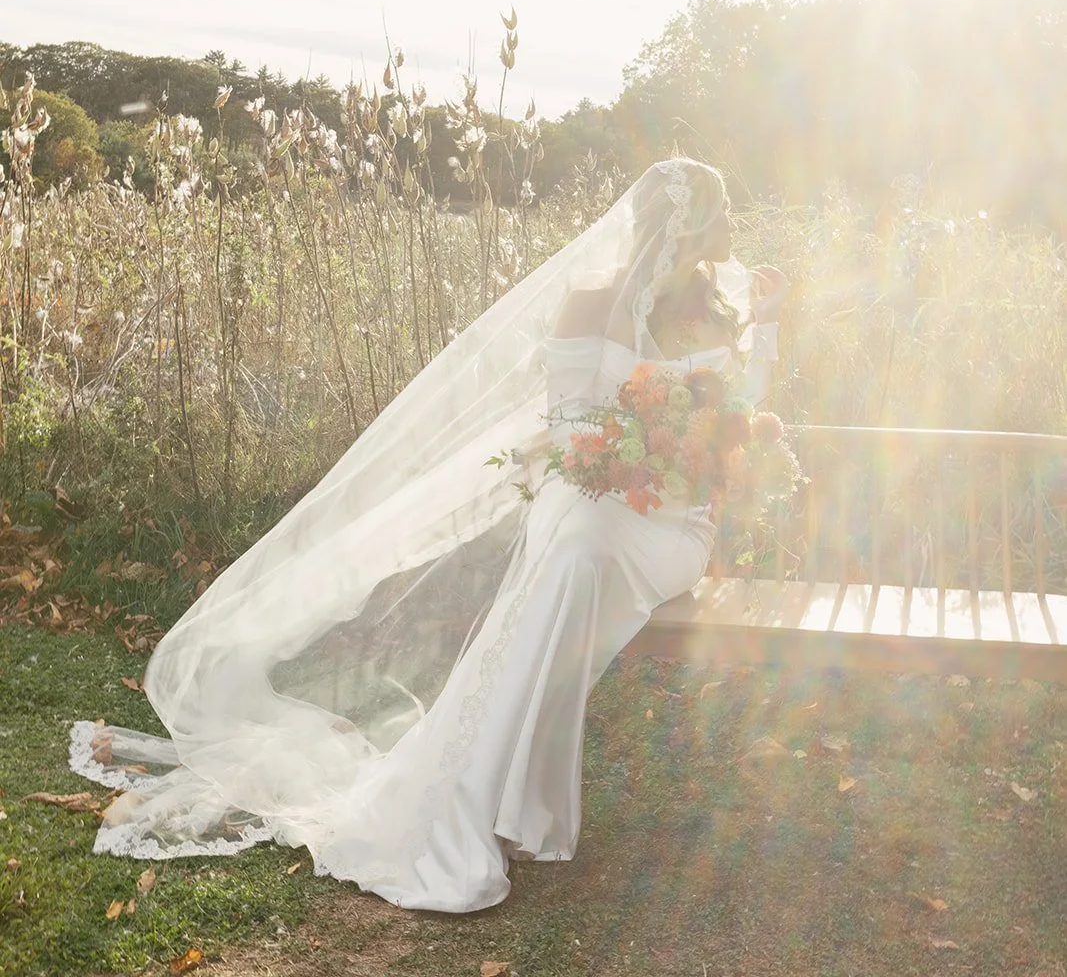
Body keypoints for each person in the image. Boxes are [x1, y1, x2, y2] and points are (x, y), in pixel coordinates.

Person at [70, 158, 785, 911]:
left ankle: (517, 798)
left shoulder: (718, 313)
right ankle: (479, 800)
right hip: (596, 496)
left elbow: (739, 410)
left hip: (676, 524)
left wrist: (766, 327)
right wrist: (622, 451)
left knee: (583, 549)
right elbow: (569, 421)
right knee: (576, 545)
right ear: (683, 222)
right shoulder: (591, 302)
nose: (734, 223)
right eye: (724, 208)